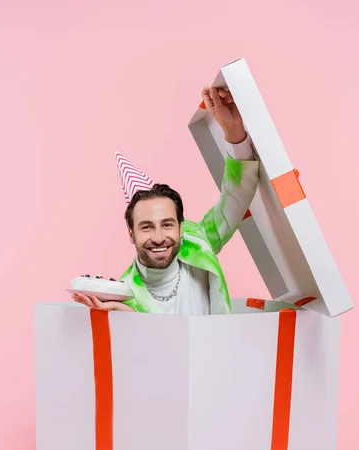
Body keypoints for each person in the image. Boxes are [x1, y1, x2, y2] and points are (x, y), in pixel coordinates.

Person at [73, 86, 260, 315]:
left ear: (181, 228)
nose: (159, 238)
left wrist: (234, 130)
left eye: (167, 224)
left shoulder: (198, 245)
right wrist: (127, 320)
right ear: (131, 233)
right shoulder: (125, 295)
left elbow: (236, 196)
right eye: (146, 227)